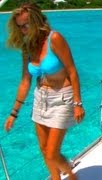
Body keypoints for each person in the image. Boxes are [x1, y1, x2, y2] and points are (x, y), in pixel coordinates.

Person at [3, 3, 85, 180]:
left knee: (51, 152)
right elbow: (25, 81)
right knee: (43, 148)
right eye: (20, 27)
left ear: (36, 21)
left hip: (62, 98)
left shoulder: (54, 38)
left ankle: (72, 176)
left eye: (26, 25)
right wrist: (13, 113)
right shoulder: (27, 48)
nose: (24, 30)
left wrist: (78, 103)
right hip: (41, 99)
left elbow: (72, 71)